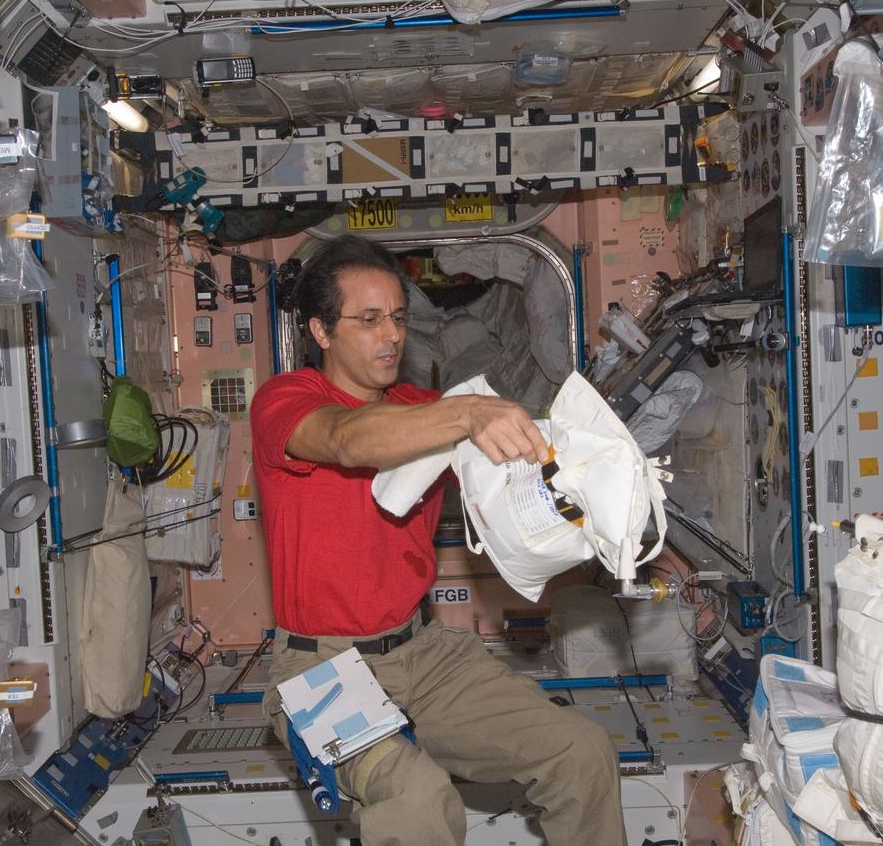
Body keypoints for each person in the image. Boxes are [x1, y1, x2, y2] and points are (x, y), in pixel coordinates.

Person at [250, 234, 627, 846]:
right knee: (416, 798)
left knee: (581, 754)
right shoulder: (287, 400)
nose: (392, 336)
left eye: (399, 318)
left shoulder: (422, 406)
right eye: (369, 320)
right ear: (321, 331)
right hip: (320, 667)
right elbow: (347, 439)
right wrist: (468, 413)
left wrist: (596, 485)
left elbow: (513, 488)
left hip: (423, 654)